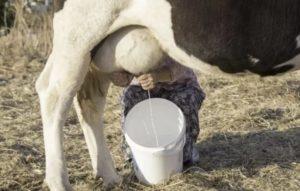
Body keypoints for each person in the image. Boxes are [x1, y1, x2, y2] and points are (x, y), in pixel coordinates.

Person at [109, 57, 206, 166]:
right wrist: (123, 72)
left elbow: (181, 65)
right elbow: (119, 79)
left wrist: (157, 76)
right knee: (129, 97)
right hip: (144, 89)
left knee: (185, 100)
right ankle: (134, 158)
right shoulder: (129, 44)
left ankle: (185, 155)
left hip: (180, 86)